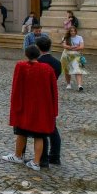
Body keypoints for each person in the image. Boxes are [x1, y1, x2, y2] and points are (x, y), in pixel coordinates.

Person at [4, 45, 58, 171]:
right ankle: (36, 162)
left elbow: (16, 86)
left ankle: (18, 156)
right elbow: (53, 90)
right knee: (39, 136)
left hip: (25, 105)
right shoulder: (47, 69)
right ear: (38, 54)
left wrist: (15, 105)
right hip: (42, 107)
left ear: (26, 54)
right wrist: (53, 109)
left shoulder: (21, 66)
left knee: (21, 132)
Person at [33, 35, 62, 169]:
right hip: (51, 96)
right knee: (52, 127)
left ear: (38, 48)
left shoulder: (37, 63)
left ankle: (43, 158)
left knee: (41, 128)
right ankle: (55, 156)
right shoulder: (57, 63)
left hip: (39, 97)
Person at [60, 25, 85, 91]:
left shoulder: (80, 37)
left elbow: (82, 46)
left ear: (76, 31)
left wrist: (72, 48)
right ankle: (68, 84)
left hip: (76, 56)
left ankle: (80, 85)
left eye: (74, 31)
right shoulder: (65, 38)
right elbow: (64, 46)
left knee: (78, 70)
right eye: (71, 31)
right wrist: (73, 47)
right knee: (67, 70)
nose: (73, 32)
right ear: (69, 32)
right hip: (66, 55)